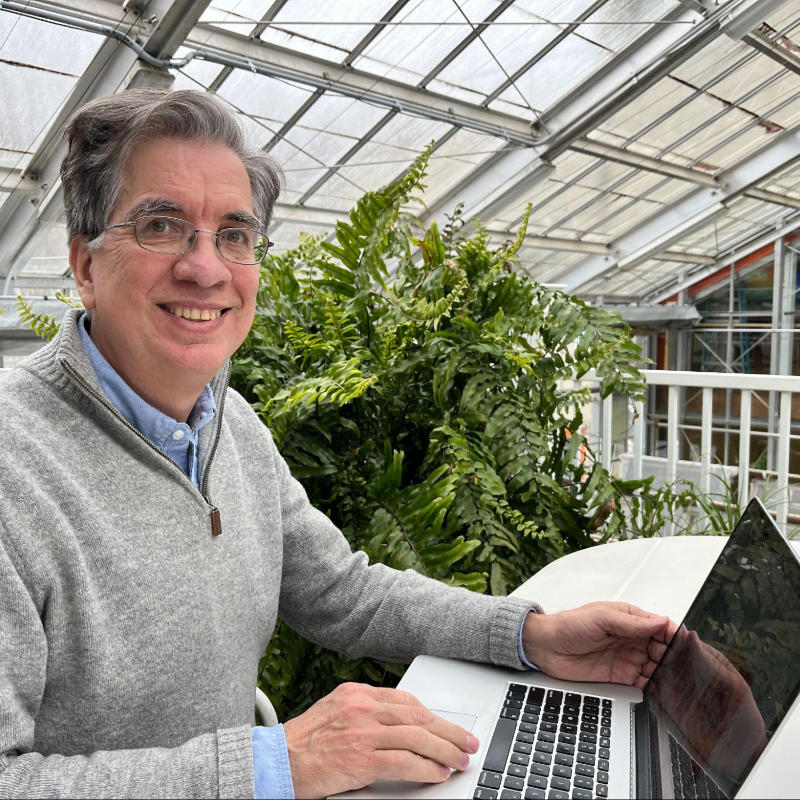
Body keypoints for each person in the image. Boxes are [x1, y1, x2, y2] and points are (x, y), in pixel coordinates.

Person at [0, 89, 675, 799]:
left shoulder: (229, 425)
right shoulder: (17, 469)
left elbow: (343, 592)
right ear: (84, 266)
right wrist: (272, 765)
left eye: (235, 234)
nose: (207, 269)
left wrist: (526, 637)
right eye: (162, 226)